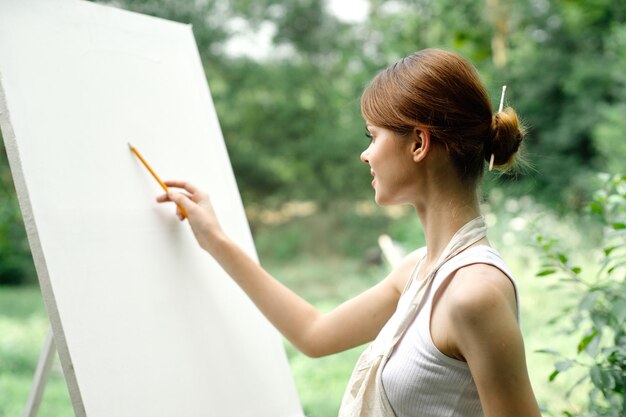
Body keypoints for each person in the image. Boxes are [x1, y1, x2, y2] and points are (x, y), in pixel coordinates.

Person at [157, 48, 542, 417]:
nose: (365, 154)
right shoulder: (418, 273)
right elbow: (313, 333)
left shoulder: (474, 294)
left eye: (372, 136)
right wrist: (216, 241)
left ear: (419, 143)